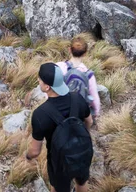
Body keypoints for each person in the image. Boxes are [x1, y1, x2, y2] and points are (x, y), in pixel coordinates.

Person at [25, 62, 93, 192]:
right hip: (82, 152)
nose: (38, 80)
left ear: (47, 87)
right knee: (82, 181)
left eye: (40, 79)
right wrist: (83, 136)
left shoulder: (40, 114)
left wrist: (27, 156)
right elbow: (89, 121)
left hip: (58, 160)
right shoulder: (77, 98)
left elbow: (35, 151)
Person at [57, 37, 100, 119]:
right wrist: (96, 112)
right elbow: (94, 97)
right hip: (79, 112)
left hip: (61, 109)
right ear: (85, 53)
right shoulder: (88, 73)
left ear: (69, 50)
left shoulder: (59, 67)